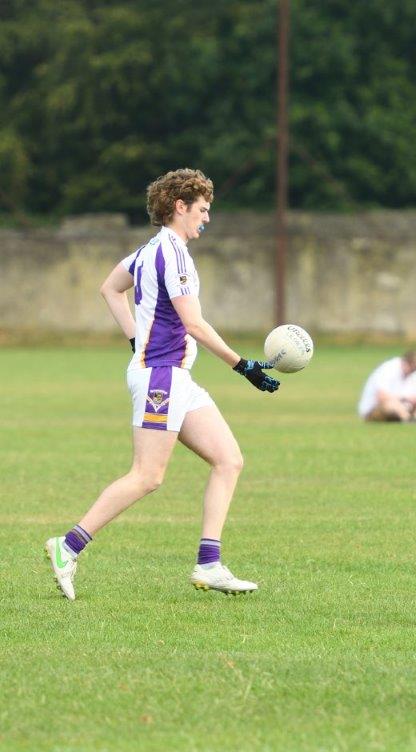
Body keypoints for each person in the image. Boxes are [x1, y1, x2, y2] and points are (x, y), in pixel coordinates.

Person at [44, 168, 280, 601]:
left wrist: (136, 339)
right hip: (161, 376)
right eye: (203, 210)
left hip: (175, 376)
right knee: (147, 476)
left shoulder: (148, 251)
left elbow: (111, 289)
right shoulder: (172, 254)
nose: (206, 219)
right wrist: (242, 365)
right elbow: (194, 323)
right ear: (180, 206)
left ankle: (209, 564)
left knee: (229, 460)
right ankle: (68, 545)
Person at [357, 349, 416, 422]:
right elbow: (381, 397)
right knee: (391, 404)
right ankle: (412, 419)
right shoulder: (388, 368)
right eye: (412, 369)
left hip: (406, 408)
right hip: (376, 409)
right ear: (405, 363)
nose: (413, 372)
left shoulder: (415, 373)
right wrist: (406, 398)